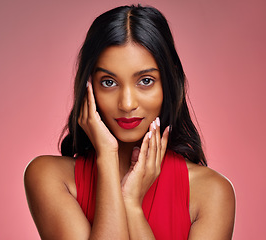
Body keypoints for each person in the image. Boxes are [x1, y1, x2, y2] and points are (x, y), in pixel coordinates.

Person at [24, 4, 235, 240]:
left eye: (145, 80)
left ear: (169, 81)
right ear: (88, 86)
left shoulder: (212, 193)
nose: (126, 104)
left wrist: (132, 205)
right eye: (108, 82)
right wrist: (106, 157)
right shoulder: (50, 177)